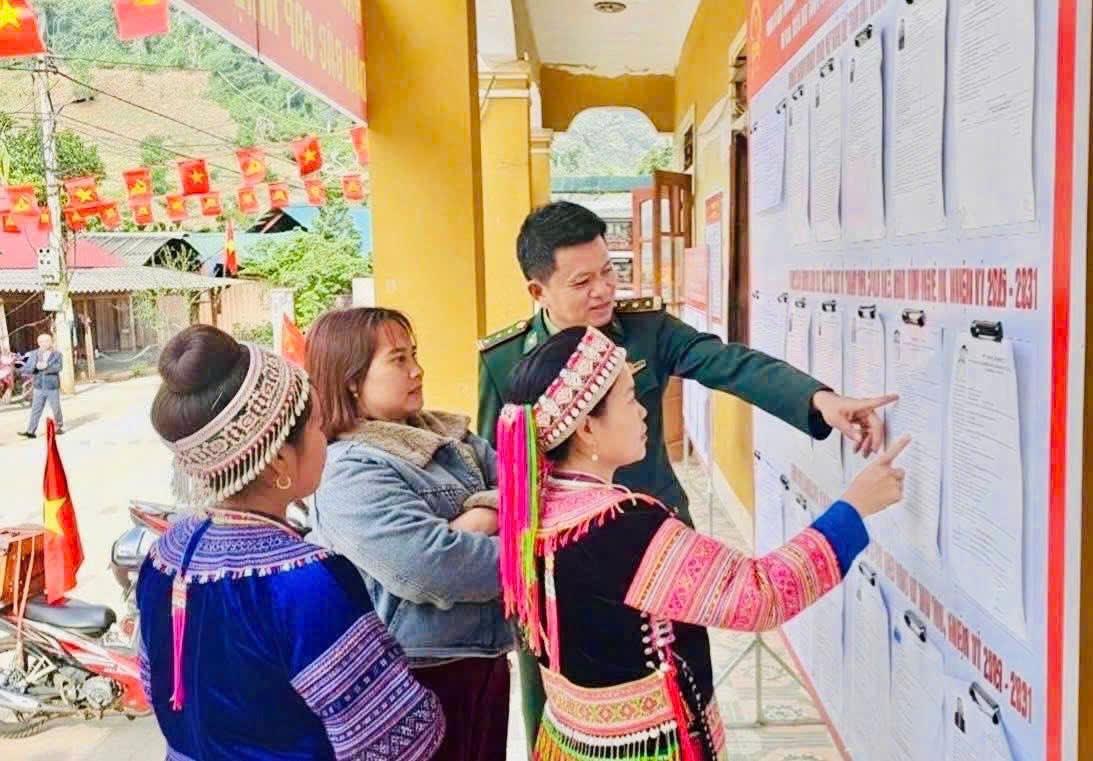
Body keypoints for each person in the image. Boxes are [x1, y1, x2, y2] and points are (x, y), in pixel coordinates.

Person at [477, 201, 897, 747]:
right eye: (582, 281)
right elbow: (502, 465)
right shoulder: (505, 358)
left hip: (659, 545)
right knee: (560, 685)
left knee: (679, 673)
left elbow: (729, 364)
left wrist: (819, 400)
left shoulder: (646, 330)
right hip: (564, 564)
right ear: (538, 290)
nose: (603, 291)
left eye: (608, 271)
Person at [497, 327, 910, 760]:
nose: (644, 412)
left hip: (570, 741)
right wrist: (854, 508)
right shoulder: (623, 526)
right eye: (631, 399)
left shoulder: (534, 507)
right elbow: (760, 593)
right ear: (586, 428)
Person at [137, 325, 445, 760]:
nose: (325, 439)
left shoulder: (164, 554)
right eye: (317, 427)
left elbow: (156, 686)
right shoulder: (307, 581)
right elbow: (396, 738)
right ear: (279, 461)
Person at [307, 307, 512, 761]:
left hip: (483, 658)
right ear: (351, 380)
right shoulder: (348, 469)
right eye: (398, 360)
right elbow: (432, 568)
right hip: (414, 673)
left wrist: (478, 515)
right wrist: (525, 549)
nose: (417, 370)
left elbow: (527, 488)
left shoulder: (449, 435)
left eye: (414, 355)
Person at [18, 333, 63, 438]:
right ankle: (30, 431)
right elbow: (26, 368)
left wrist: (46, 367)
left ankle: (58, 426)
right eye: (42, 341)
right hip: (38, 386)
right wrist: (36, 367)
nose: (44, 343)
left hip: (52, 387)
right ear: (38, 343)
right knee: (35, 409)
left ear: (51, 342)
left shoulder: (57, 354)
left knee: (56, 408)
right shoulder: (33, 354)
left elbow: (59, 367)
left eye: (47, 341)